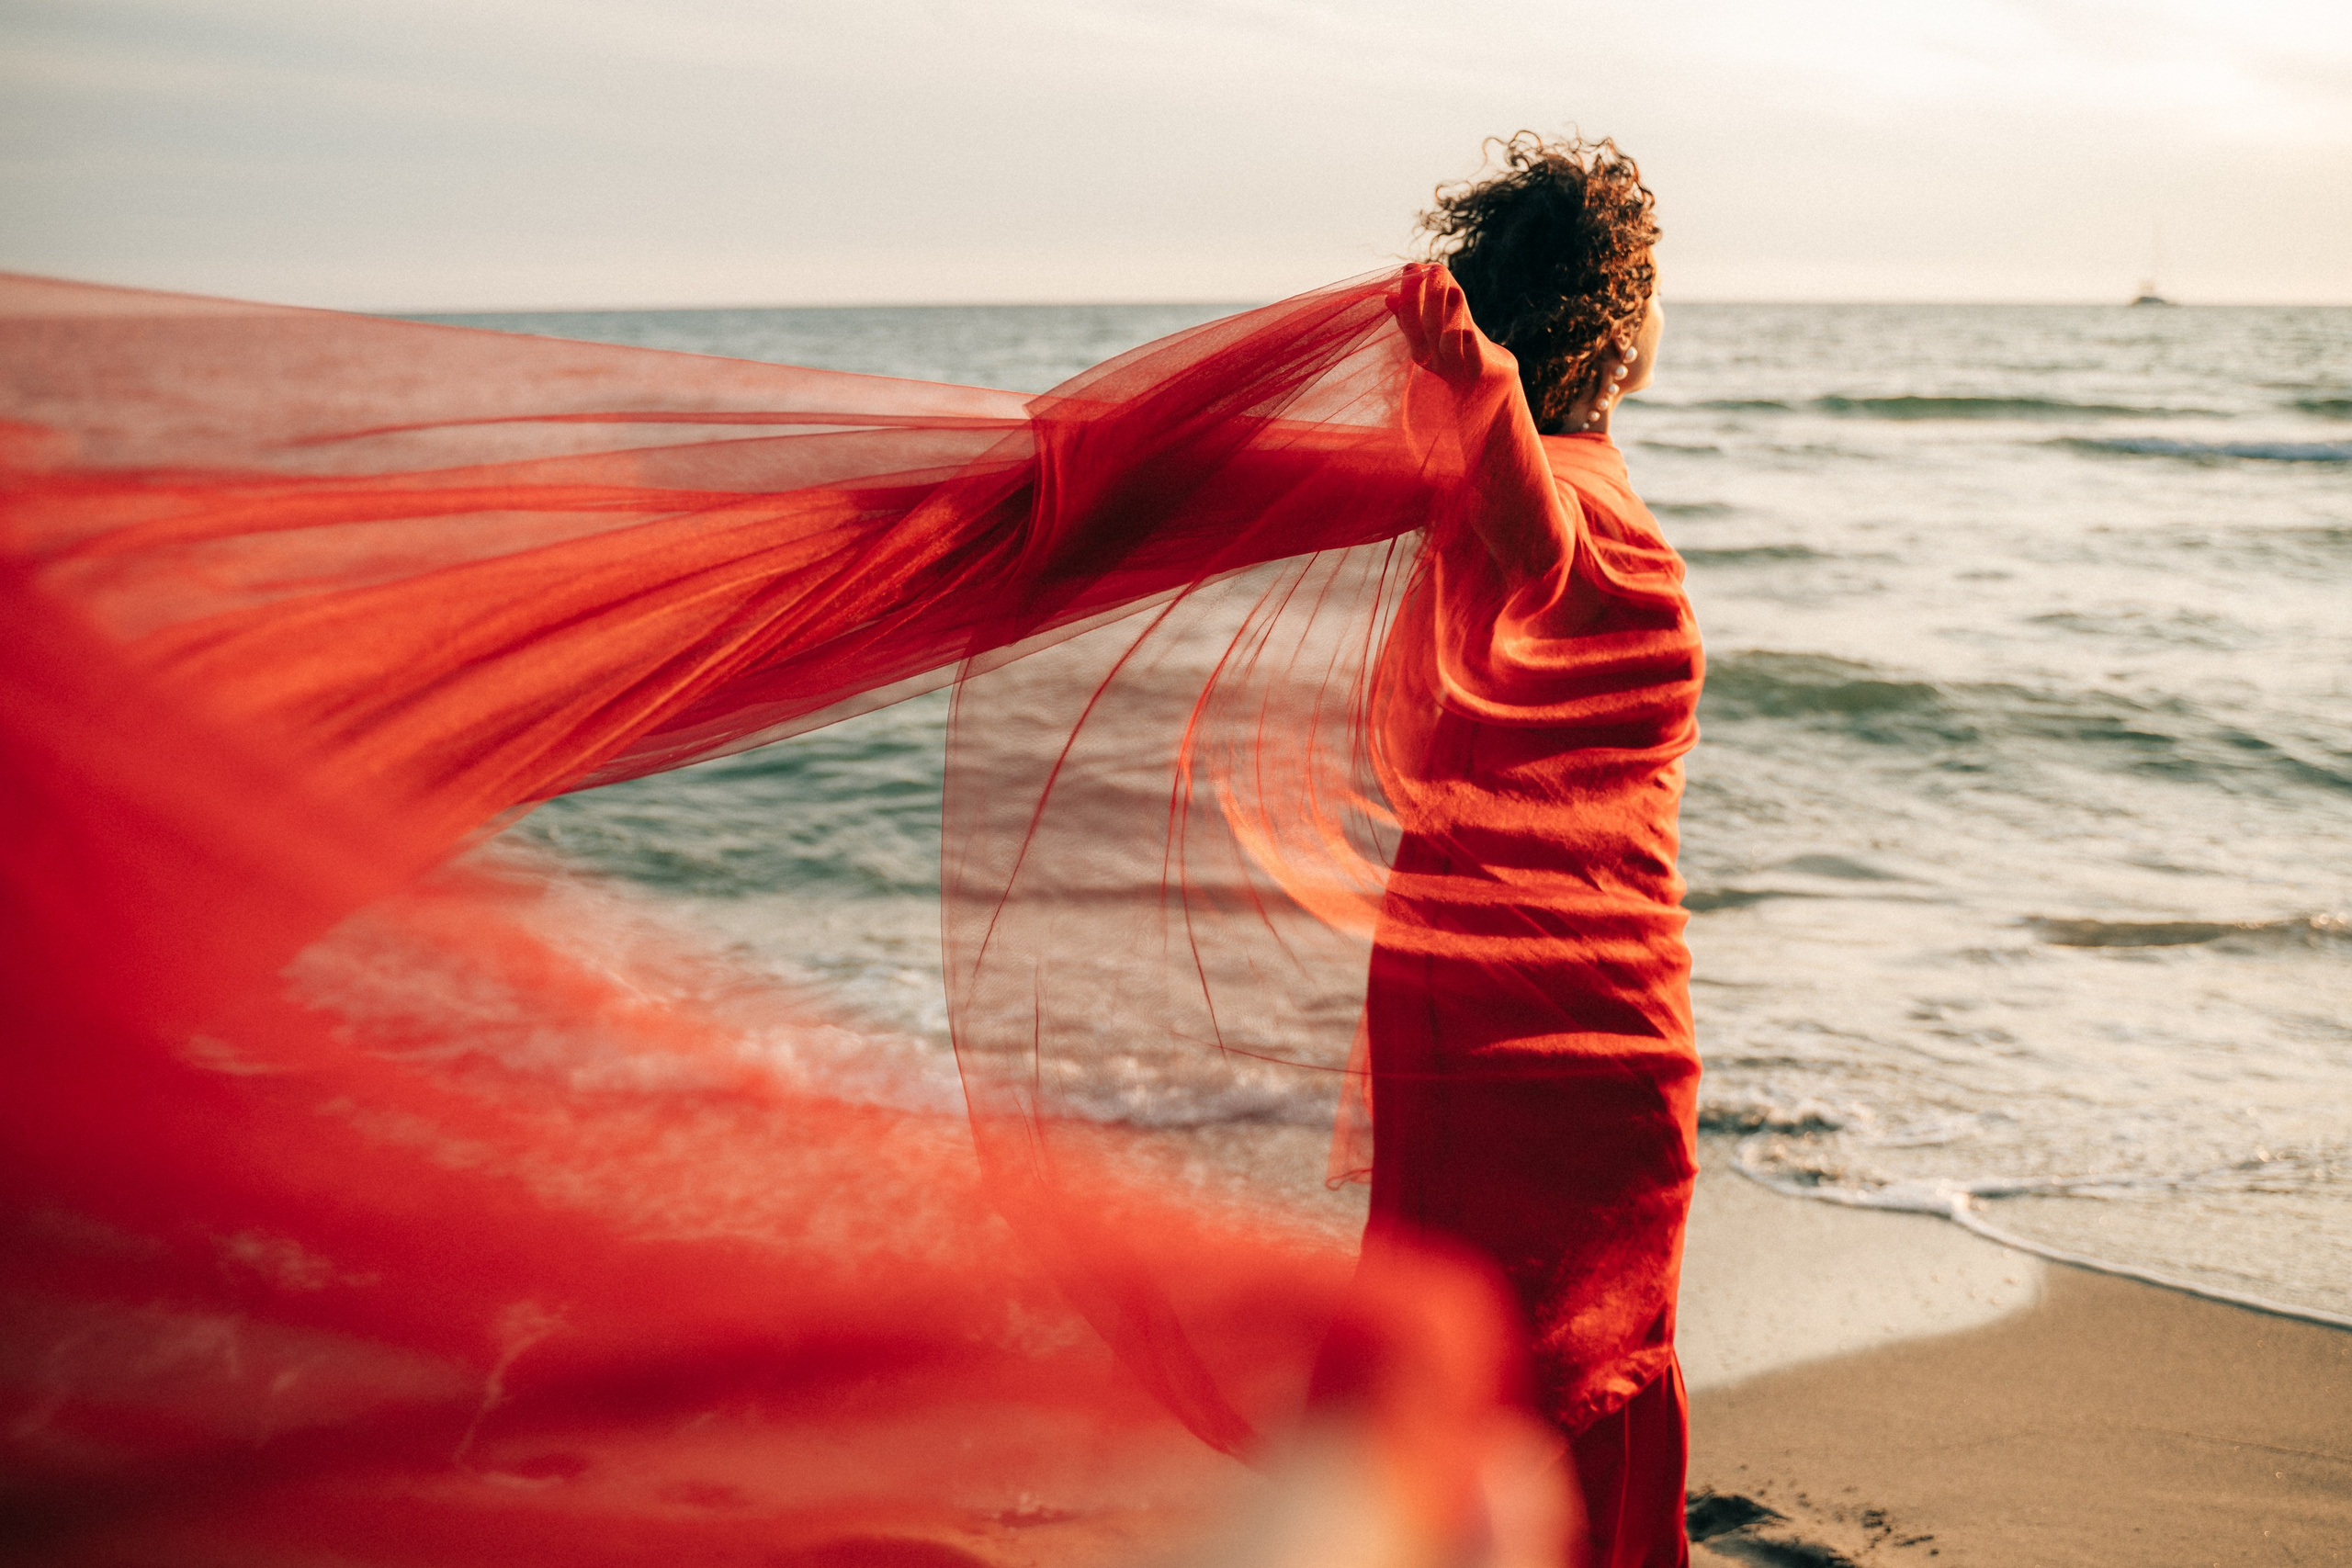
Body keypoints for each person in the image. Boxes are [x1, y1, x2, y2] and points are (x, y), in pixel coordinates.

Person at [1352, 134, 1701, 1568]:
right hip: (1498, 1017)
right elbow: (1537, 549)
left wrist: (1479, 389)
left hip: (1623, 1019)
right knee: (1488, 1351)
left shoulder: (1574, 480)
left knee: (1608, 1339)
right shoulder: (1522, 495)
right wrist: (1473, 381)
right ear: (1617, 322)